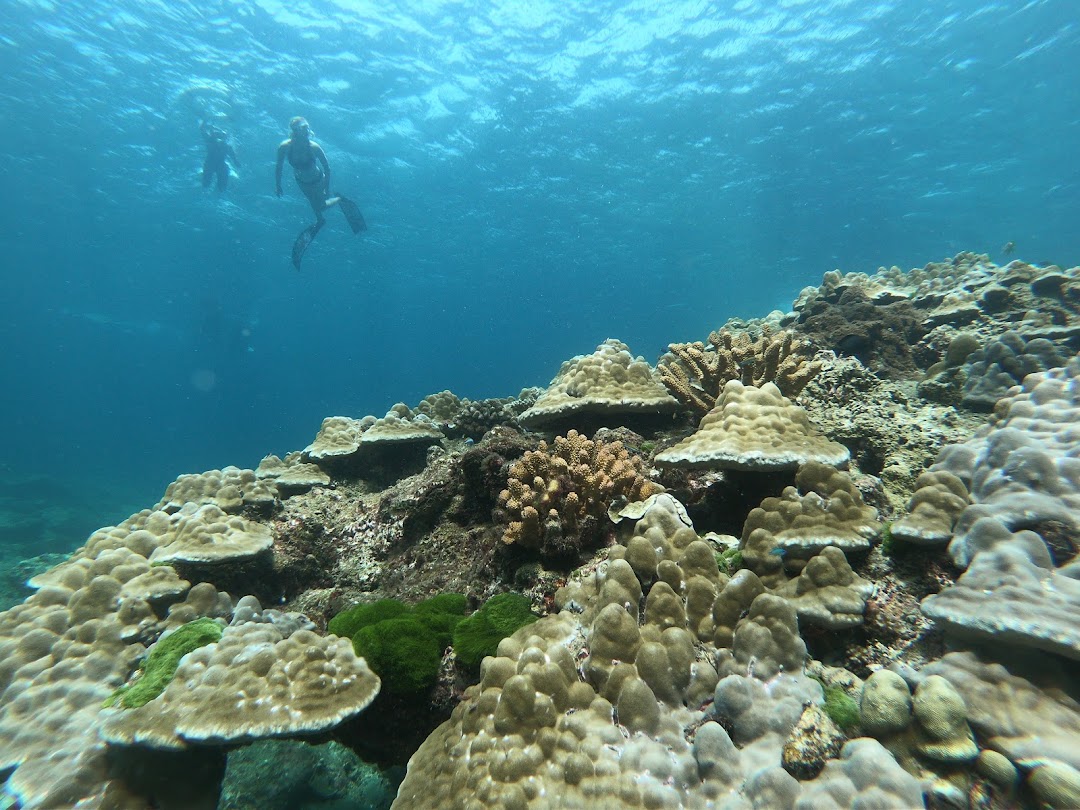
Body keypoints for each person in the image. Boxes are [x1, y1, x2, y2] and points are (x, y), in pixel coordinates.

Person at [275, 116, 366, 269]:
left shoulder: (314, 147)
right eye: (303, 128)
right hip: (302, 183)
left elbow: (327, 168)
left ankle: (338, 199)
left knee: (321, 206)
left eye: (306, 128)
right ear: (295, 130)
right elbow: (279, 166)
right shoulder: (284, 147)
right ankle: (320, 220)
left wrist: (327, 188)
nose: (307, 131)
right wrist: (278, 185)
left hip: (317, 180)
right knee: (317, 207)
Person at [200, 120, 239, 192]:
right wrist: (236, 162)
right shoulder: (211, 141)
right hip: (214, 165)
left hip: (214, 164)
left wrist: (205, 122)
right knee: (207, 184)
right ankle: (217, 192)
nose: (219, 139)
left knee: (218, 187)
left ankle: (218, 192)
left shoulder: (211, 141)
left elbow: (202, 129)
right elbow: (234, 158)